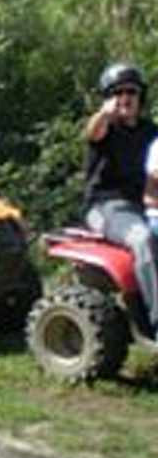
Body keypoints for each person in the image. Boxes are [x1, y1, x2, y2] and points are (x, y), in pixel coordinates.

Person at [85, 62, 158, 335]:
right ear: (108, 98)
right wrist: (104, 114)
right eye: (118, 92)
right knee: (143, 239)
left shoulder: (151, 132)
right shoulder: (106, 128)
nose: (126, 97)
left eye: (132, 92)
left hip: (143, 206)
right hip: (104, 206)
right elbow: (92, 132)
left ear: (141, 97)